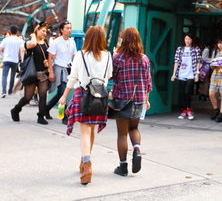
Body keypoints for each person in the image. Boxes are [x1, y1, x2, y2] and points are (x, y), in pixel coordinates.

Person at [58, 26, 112, 185]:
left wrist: (64, 95)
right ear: (103, 38)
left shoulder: (80, 55)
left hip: (83, 94)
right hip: (100, 96)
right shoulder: (108, 56)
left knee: (84, 132)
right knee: (91, 129)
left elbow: (73, 77)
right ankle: (85, 160)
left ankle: (87, 164)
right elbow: (108, 77)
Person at [110, 27, 152, 177]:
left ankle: (123, 167)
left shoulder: (118, 58)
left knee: (122, 133)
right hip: (139, 100)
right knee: (134, 129)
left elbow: (110, 76)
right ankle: (137, 150)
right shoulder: (144, 58)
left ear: (124, 40)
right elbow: (148, 82)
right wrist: (146, 100)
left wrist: (114, 55)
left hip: (122, 100)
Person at [10, 24, 54, 124]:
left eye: (46, 32)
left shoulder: (46, 43)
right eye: (43, 31)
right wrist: (33, 35)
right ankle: (16, 109)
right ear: (37, 30)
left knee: (43, 95)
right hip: (32, 73)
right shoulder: (29, 42)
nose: (45, 33)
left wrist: (51, 71)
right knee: (28, 97)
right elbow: (33, 44)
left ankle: (41, 116)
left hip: (43, 73)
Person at [46, 21, 77, 117]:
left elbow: (74, 55)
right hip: (59, 68)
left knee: (61, 92)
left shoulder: (72, 41)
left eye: (70, 28)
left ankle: (45, 109)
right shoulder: (56, 42)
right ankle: (65, 116)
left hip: (69, 67)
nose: (69, 30)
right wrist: (51, 72)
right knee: (63, 91)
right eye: (67, 28)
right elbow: (50, 57)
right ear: (62, 30)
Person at [171, 33, 201, 120]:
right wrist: (174, 74)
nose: (187, 41)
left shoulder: (196, 49)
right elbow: (176, 61)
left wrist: (197, 74)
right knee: (182, 93)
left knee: (187, 92)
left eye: (189, 39)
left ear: (192, 40)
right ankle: (184, 111)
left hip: (191, 73)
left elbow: (198, 62)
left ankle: (189, 110)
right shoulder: (180, 49)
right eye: (186, 39)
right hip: (181, 73)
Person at [0, 26, 24, 97]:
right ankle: (10, 90)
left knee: (4, 76)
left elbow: (0, 49)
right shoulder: (19, 40)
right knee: (12, 76)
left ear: (10, 31)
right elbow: (22, 50)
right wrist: (22, 59)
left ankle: (3, 91)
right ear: (17, 31)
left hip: (6, 59)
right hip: (15, 60)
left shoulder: (6, 39)